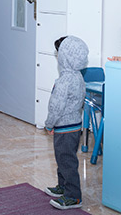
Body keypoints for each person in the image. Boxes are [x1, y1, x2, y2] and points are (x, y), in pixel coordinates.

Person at [44, 36, 88, 210]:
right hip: (75, 126)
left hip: (64, 128)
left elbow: (56, 107)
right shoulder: (78, 77)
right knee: (65, 158)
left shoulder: (64, 81)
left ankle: (73, 196)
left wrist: (49, 124)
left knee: (66, 161)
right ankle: (62, 186)